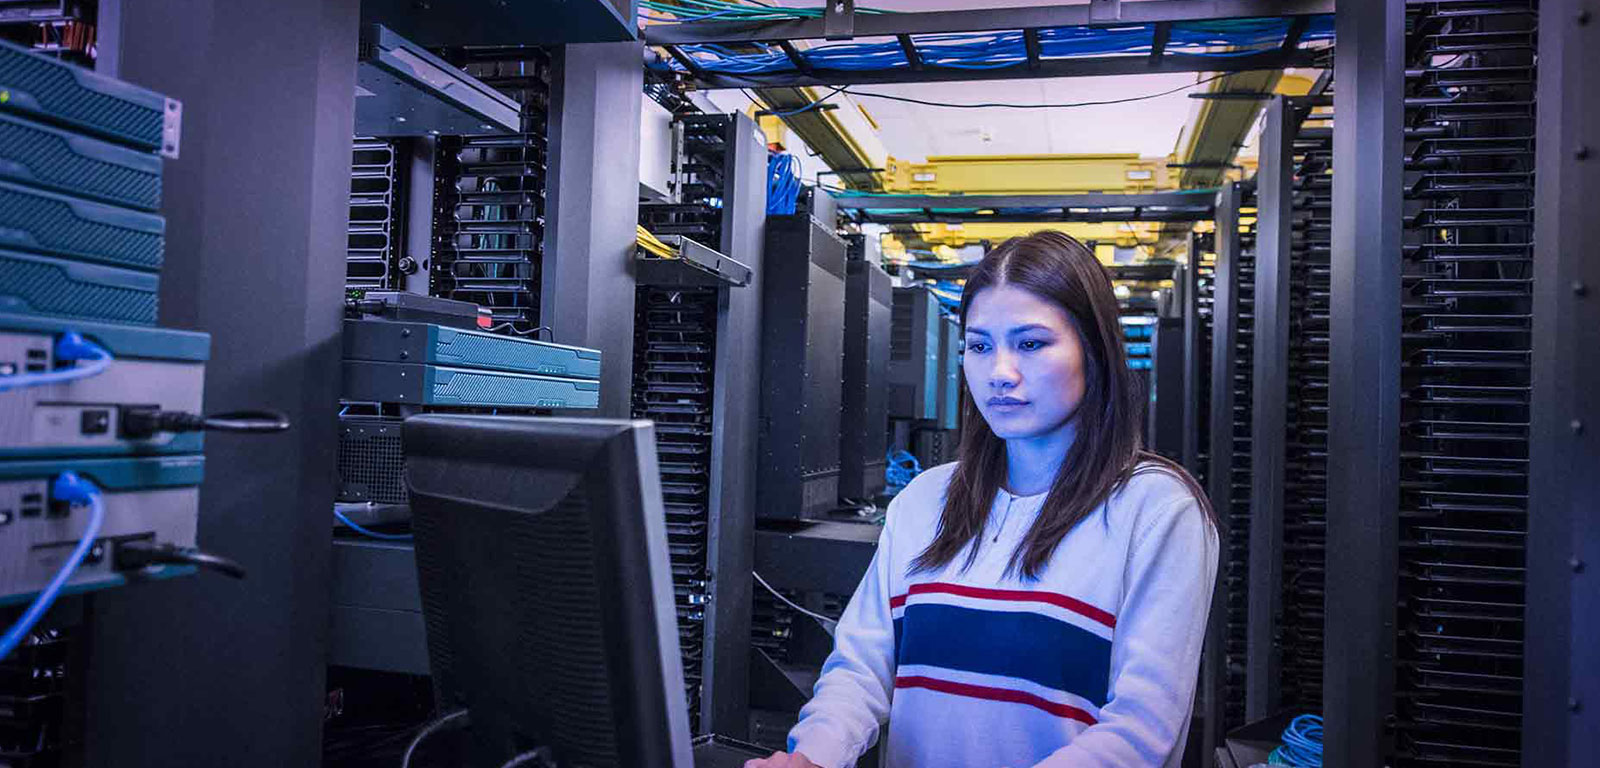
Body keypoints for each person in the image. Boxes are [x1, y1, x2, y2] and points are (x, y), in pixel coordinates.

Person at [746, 232, 1219, 768]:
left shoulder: (1156, 511)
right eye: (979, 345)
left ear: (1094, 350)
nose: (999, 373)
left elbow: (1140, 732)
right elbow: (860, 668)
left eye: (1031, 343)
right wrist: (814, 756)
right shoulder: (926, 499)